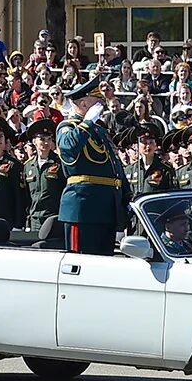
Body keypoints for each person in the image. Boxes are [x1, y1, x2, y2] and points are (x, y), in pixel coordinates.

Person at [56, 76, 128, 254]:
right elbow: (68, 147)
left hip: (106, 208)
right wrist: (86, 123)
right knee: (81, 265)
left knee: (103, 266)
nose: (100, 105)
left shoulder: (98, 130)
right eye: (96, 101)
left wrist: (126, 193)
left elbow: (114, 164)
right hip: (83, 208)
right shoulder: (67, 127)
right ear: (83, 104)